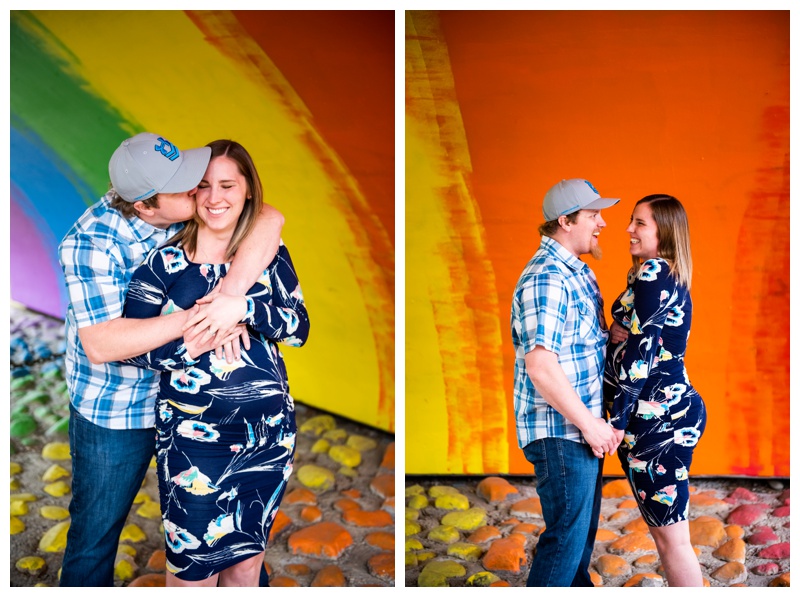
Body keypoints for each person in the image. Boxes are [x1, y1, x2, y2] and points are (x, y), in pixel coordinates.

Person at [58, 132, 284, 586]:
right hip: (119, 406)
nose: (199, 186)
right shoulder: (89, 245)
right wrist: (208, 313)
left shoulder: (190, 209)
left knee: (231, 535)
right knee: (94, 535)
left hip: (194, 408)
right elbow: (101, 344)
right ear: (144, 206)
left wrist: (234, 295)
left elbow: (268, 215)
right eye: (187, 185)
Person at [122, 139, 309, 586]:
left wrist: (243, 310)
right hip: (193, 441)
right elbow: (131, 346)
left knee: (246, 564)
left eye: (227, 184)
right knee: (192, 573)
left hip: (267, 434)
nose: (214, 197)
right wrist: (202, 336)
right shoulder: (162, 264)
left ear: (248, 190)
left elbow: (298, 327)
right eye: (203, 186)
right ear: (190, 193)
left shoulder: (269, 255)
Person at [511, 178, 622, 587]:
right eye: (593, 215)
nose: (602, 223)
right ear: (565, 221)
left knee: (578, 545)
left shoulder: (575, 274)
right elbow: (541, 366)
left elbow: (570, 345)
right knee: (564, 543)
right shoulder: (548, 278)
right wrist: (591, 425)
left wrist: (609, 335)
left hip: (579, 429)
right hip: (563, 431)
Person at [604, 194, 706, 587]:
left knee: (672, 541)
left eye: (639, 223)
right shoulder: (656, 274)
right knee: (669, 537)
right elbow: (642, 339)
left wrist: (616, 422)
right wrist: (616, 334)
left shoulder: (653, 271)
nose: (628, 230)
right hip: (663, 416)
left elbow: (642, 355)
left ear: (662, 230)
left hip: (658, 423)